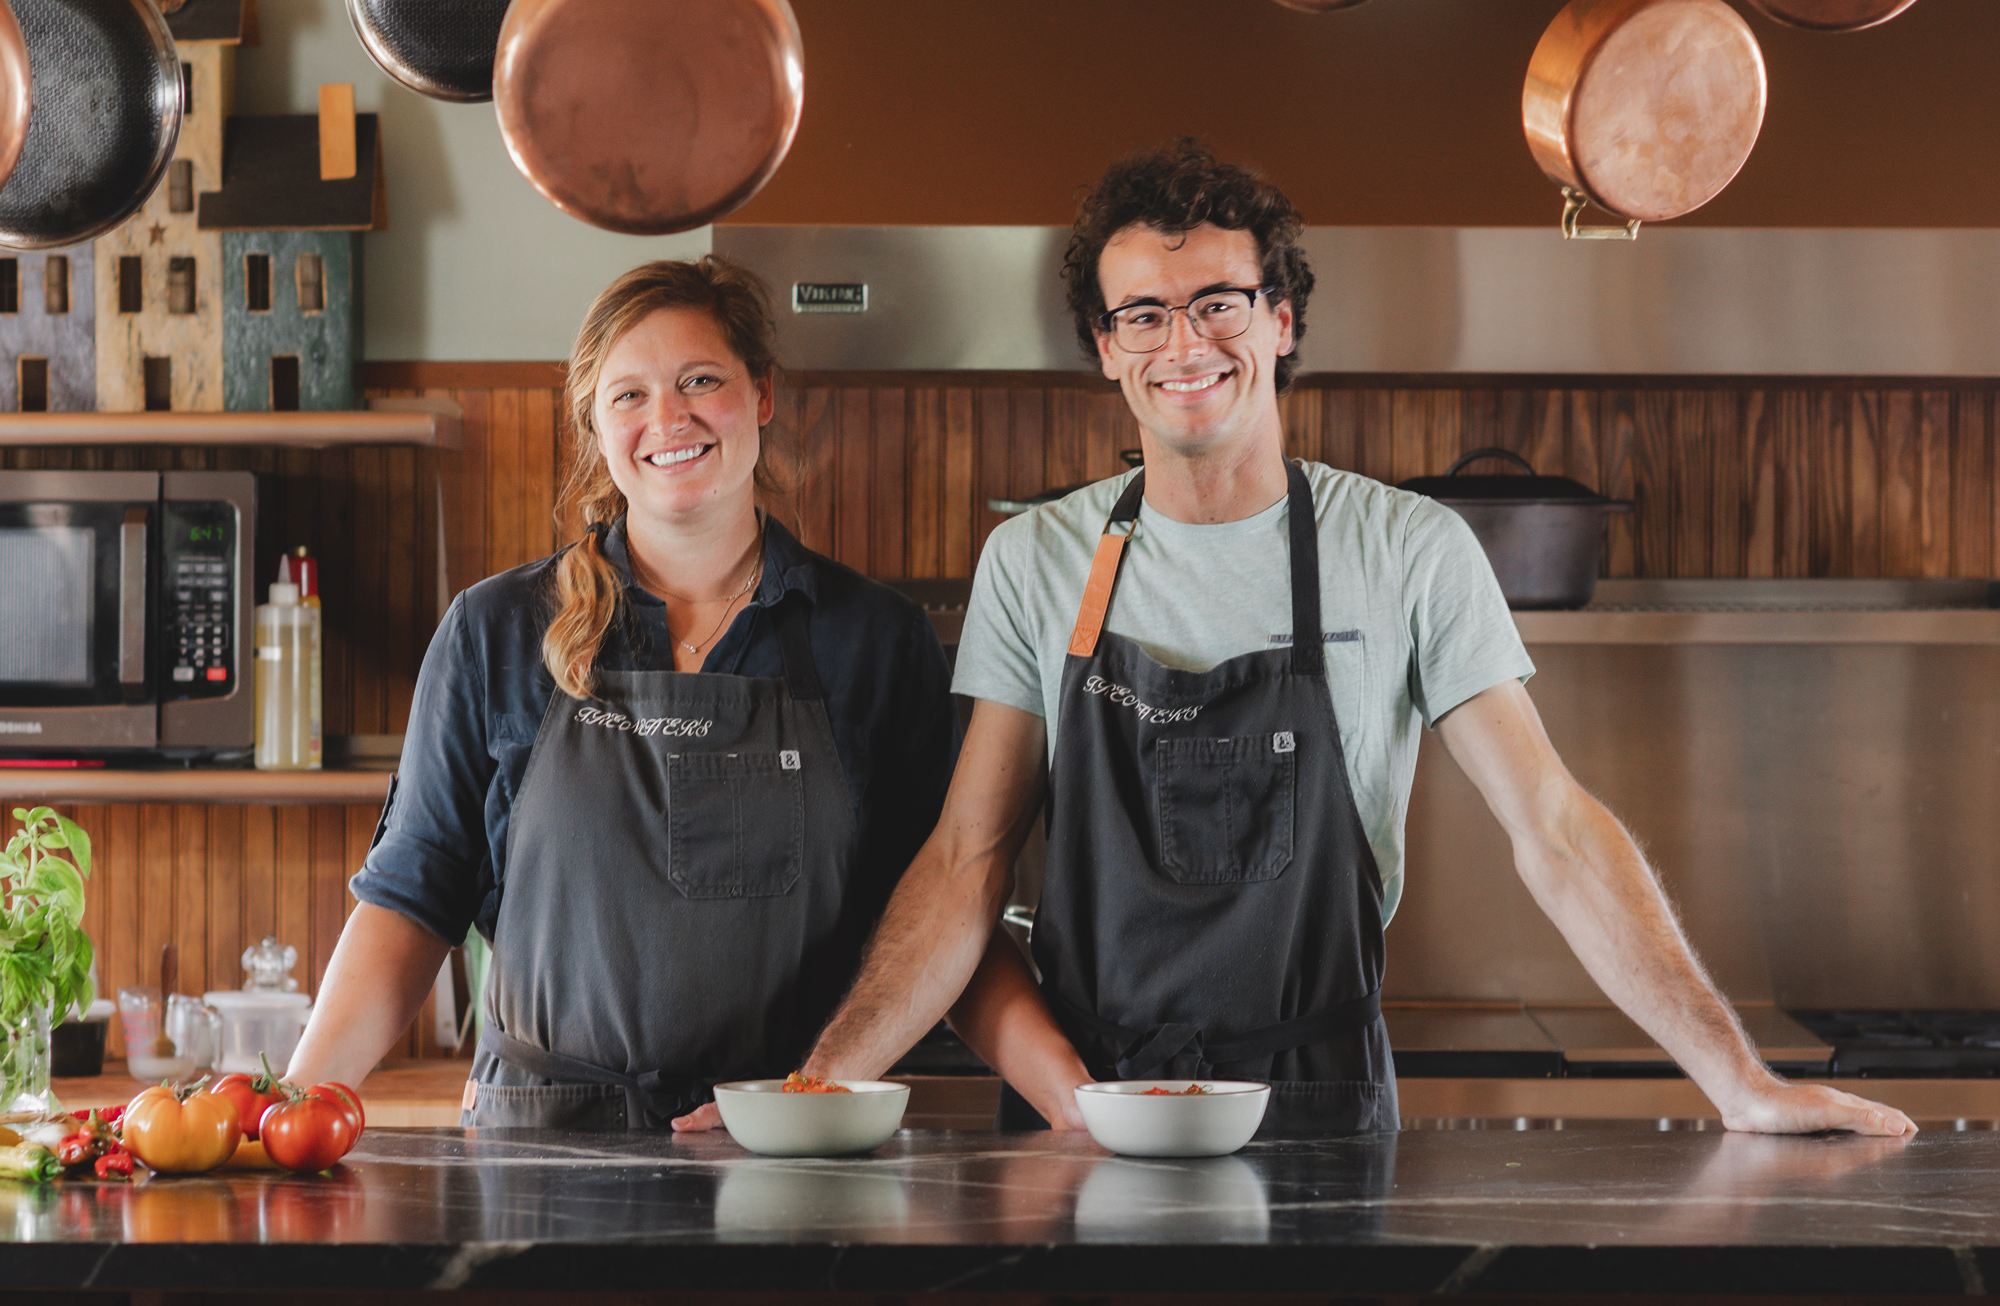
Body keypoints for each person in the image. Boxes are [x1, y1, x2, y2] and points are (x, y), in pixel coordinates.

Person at [748, 140, 1911, 1138]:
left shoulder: (1407, 548)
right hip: (1089, 1114)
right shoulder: (1036, 561)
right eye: (1142, 313)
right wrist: (815, 1083)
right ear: (1105, 349)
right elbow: (966, 859)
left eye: (1218, 301)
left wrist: (1737, 1079)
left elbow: (1550, 825)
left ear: (1281, 317)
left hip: (1318, 1105)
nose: (1182, 341)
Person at [285, 257, 957, 1129]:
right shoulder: (497, 631)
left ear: (762, 394)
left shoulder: (874, 640)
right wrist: (287, 1109)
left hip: (784, 1147)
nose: (667, 419)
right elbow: (413, 900)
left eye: (701, 381)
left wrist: (814, 1091)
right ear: (596, 428)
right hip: (541, 1154)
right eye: (628, 395)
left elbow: (935, 909)